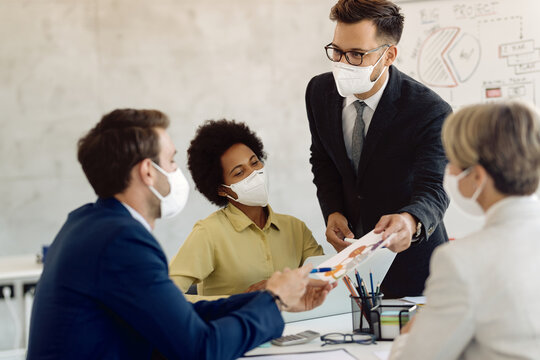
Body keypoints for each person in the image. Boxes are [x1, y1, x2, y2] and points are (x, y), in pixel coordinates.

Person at [27, 109, 334, 360]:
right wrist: (274, 301)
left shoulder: (86, 224)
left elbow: (178, 313)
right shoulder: (122, 241)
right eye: (171, 161)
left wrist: (265, 300)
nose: (177, 172)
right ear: (149, 172)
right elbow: (201, 348)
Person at [305, 0, 452, 297]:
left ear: (388, 55)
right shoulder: (318, 92)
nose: (343, 63)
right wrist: (332, 210)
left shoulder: (429, 110)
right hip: (351, 265)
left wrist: (411, 221)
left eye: (357, 54)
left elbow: (435, 187)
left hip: (415, 267)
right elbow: (323, 160)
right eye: (337, 51)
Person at [389, 101, 540, 359]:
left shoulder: (462, 261)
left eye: (453, 162)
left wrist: (409, 335)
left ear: (478, 177)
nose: (448, 171)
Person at [169, 120, 324, 301]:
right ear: (222, 189)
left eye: (254, 162)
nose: (254, 173)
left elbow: (325, 280)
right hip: (232, 327)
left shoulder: (295, 228)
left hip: (295, 326)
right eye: (239, 173)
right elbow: (164, 296)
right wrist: (238, 302)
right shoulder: (209, 233)